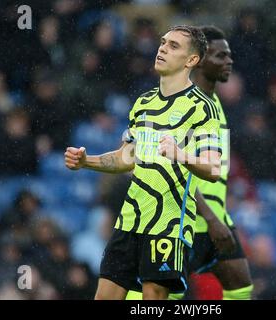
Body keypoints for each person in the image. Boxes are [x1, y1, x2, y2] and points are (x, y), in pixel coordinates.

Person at [64, 25, 222, 300]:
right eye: (163, 42)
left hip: (168, 224)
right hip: (129, 221)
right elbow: (128, 157)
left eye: (173, 46)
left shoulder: (203, 107)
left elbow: (213, 168)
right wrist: (86, 162)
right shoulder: (143, 102)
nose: (162, 48)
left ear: (191, 60)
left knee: (152, 301)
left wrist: (181, 154)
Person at [126, 26, 253, 301]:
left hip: (214, 217)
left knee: (240, 285)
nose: (228, 61)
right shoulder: (185, 104)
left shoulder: (214, 101)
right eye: (220, 56)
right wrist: (210, 219)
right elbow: (174, 169)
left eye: (229, 55)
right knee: (155, 293)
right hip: (188, 219)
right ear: (199, 59)